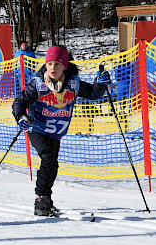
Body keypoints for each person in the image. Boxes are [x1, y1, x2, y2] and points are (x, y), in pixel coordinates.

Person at [12, 46, 107, 216]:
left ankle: (46, 199)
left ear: (64, 66)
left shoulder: (73, 83)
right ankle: (40, 201)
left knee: (52, 166)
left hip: (56, 131)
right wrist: (21, 116)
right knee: (48, 157)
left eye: (57, 64)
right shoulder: (39, 84)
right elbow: (20, 101)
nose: (52, 68)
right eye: (49, 64)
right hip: (37, 127)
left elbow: (93, 94)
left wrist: (100, 84)